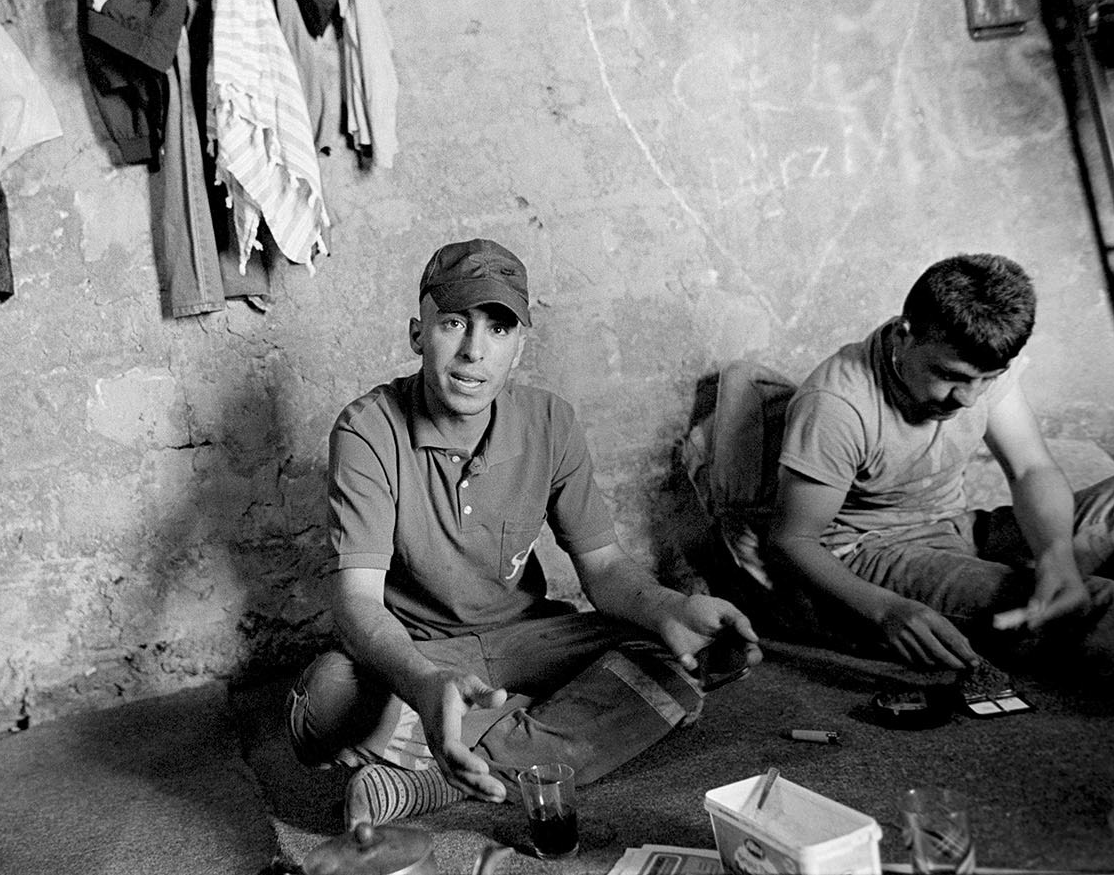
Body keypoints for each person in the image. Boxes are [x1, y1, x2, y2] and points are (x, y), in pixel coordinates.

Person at [286, 238, 761, 827]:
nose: (473, 351)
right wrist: (426, 682)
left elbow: (604, 569)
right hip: (423, 650)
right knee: (326, 701)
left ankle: (433, 777)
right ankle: (532, 726)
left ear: (519, 347)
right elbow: (356, 601)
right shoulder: (368, 431)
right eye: (453, 324)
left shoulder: (550, 421)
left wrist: (672, 608)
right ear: (417, 334)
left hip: (528, 639)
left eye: (498, 329)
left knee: (685, 658)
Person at [766, 253, 1114, 681]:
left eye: (987, 379)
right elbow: (791, 540)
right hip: (871, 549)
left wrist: (1057, 556)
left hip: (956, 527)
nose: (969, 398)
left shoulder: (978, 363)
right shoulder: (837, 405)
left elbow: (1031, 470)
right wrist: (886, 610)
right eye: (950, 376)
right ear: (904, 337)